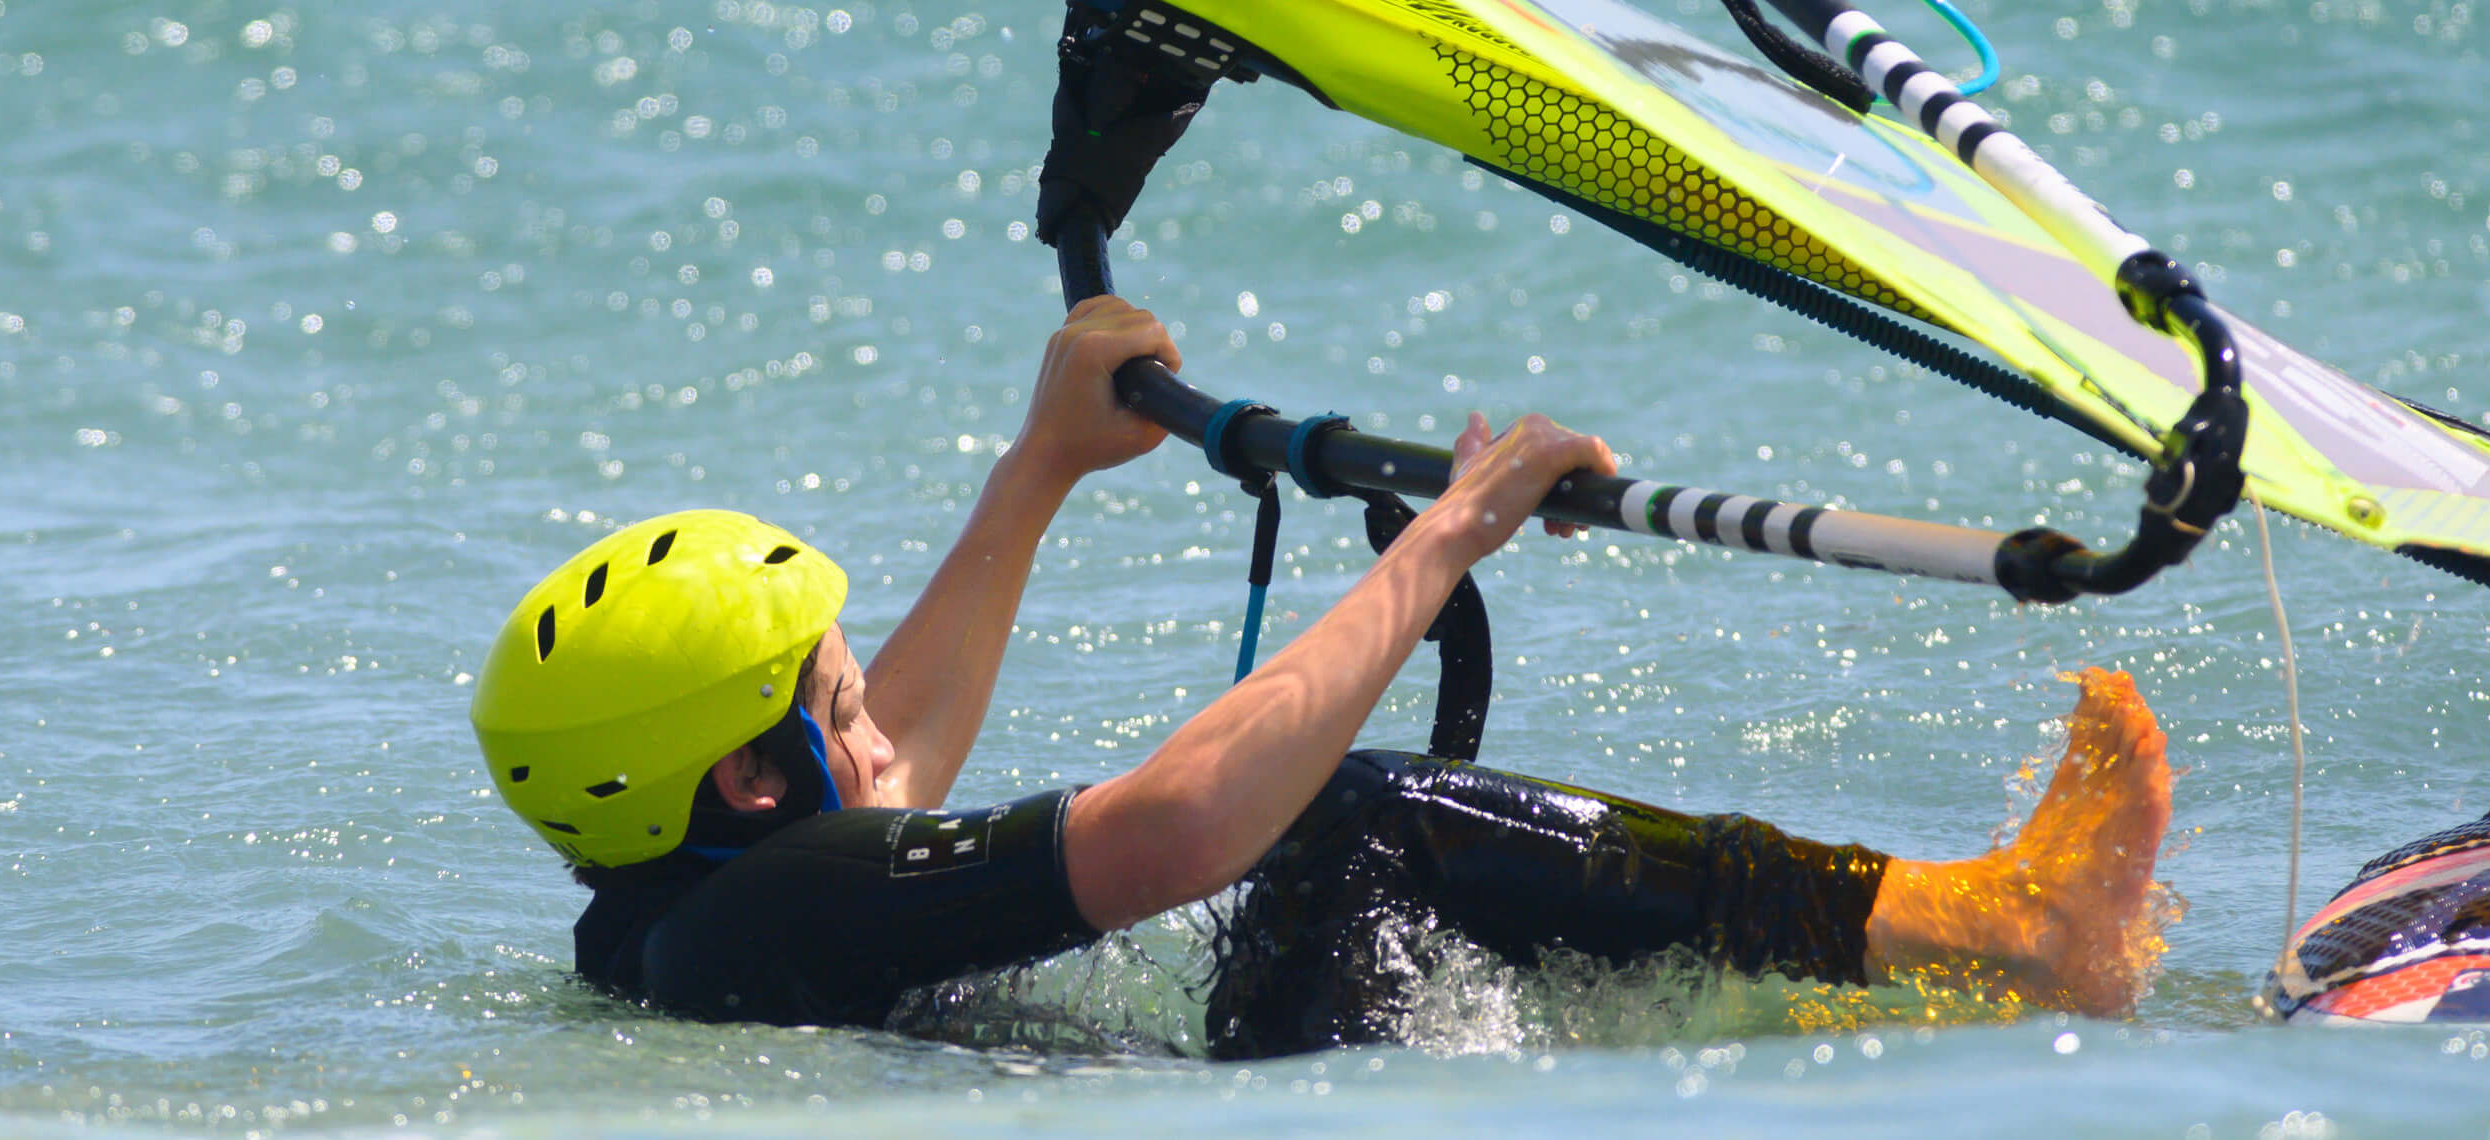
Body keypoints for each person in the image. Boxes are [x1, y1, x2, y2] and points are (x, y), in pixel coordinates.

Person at [472, 297, 2174, 1052]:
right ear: (753, 785)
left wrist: (1039, 470)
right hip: (1259, 1096)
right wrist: (1441, 541)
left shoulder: (701, 903)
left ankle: (1873, 966)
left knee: (1337, 841)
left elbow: (894, 756)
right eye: (828, 709)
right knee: (1347, 818)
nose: (874, 721)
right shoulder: (775, 909)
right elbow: (1170, 834)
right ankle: (1983, 930)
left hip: (1236, 1085)